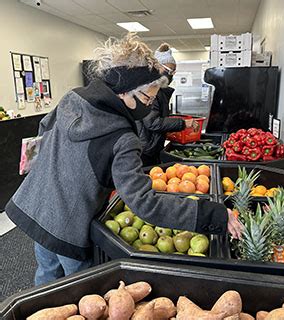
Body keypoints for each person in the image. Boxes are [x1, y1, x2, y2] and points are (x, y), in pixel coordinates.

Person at [5, 33, 242, 286]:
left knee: (46, 276)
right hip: (68, 224)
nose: (149, 106)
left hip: (35, 204)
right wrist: (214, 215)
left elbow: (42, 134)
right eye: (147, 99)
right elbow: (146, 204)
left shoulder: (72, 98)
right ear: (125, 92)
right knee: (78, 290)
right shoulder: (123, 138)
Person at [136, 43, 197, 166]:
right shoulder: (150, 89)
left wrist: (169, 128)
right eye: (170, 70)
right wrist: (182, 123)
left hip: (153, 146)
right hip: (145, 149)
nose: (172, 75)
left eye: (174, 71)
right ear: (157, 66)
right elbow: (152, 122)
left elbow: (159, 116)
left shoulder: (160, 89)